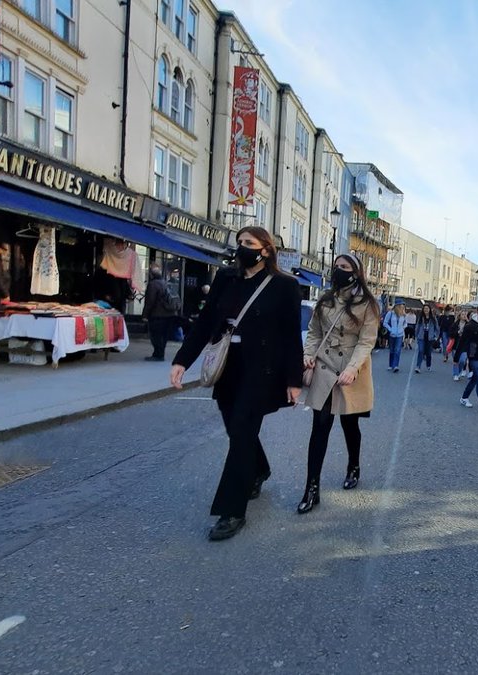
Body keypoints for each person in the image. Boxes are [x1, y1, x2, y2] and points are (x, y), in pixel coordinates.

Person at [170, 226, 302, 542]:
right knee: (236, 429)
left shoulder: (284, 285)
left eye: (249, 243)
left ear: (266, 250)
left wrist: (294, 379)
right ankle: (258, 469)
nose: (242, 248)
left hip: (261, 370)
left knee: (241, 433)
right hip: (227, 365)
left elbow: (289, 337)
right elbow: (205, 324)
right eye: (239, 242)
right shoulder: (226, 279)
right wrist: (182, 360)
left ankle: (231, 511)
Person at [299, 254, 380, 513]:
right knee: (319, 427)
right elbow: (314, 332)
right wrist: (308, 354)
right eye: (336, 267)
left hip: (350, 370)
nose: (338, 271)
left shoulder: (367, 304)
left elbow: (366, 341)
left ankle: (353, 465)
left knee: (349, 424)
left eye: (344, 268)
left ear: (356, 273)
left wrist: (353, 369)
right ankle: (312, 489)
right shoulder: (325, 300)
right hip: (324, 367)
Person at [141, 266, 178, 362]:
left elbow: (150, 301)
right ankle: (160, 353)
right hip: (169, 313)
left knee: (155, 335)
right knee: (164, 335)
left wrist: (145, 315)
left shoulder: (153, 285)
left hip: (157, 314)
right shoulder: (165, 283)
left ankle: (158, 354)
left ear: (151, 274)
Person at [382, 300, 408, 372]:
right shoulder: (390, 313)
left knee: (397, 350)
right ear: (397, 306)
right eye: (400, 306)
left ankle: (396, 365)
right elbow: (385, 323)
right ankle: (391, 364)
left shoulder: (403, 314)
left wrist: (403, 328)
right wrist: (390, 329)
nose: (402, 308)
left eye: (403, 306)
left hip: (400, 334)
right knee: (392, 350)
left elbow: (406, 323)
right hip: (392, 334)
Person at [414, 305, 440, 373]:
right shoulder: (421, 318)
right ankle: (418, 366)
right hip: (421, 336)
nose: (426, 310)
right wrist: (416, 335)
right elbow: (417, 326)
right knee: (421, 350)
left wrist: (435, 335)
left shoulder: (433, 318)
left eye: (427, 308)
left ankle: (428, 365)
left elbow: (437, 327)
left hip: (430, 337)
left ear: (429, 310)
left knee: (428, 352)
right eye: (424, 308)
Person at [452, 310, 470, 381]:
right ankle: (455, 374)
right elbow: (451, 333)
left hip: (464, 345)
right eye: (462, 314)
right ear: (459, 316)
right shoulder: (455, 324)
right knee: (456, 360)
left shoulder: (468, 325)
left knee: (462, 360)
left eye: (465, 315)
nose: (464, 316)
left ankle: (459, 371)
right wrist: (458, 332)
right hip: (456, 344)